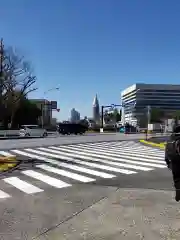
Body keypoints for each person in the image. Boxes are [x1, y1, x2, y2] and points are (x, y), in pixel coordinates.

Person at [165, 125, 180, 201]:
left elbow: (166, 154)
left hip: (174, 163)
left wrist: (168, 164)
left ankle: (178, 191)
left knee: (176, 179)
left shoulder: (170, 140)